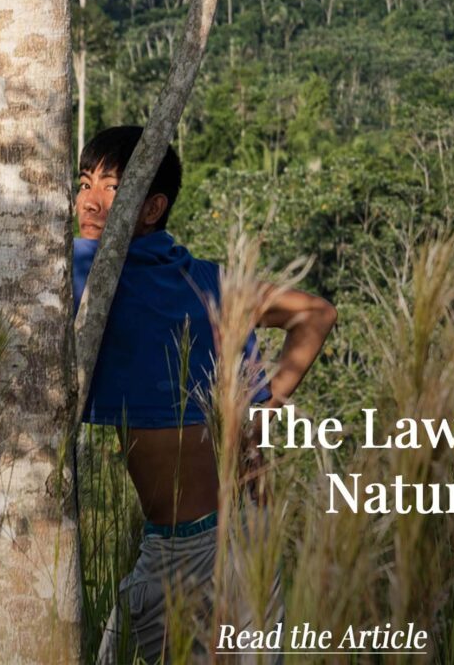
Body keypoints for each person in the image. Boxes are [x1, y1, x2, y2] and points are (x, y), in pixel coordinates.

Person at [72, 126, 336, 664]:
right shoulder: (199, 279)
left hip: (218, 544)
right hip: (188, 541)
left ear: (152, 208)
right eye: (83, 183)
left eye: (112, 188)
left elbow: (316, 313)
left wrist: (262, 408)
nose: (90, 202)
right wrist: (267, 405)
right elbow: (316, 314)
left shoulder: (97, 271)